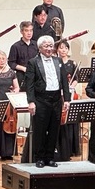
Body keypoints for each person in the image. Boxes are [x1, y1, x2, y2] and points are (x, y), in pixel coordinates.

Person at [24, 35, 70, 168]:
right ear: (40, 48)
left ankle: (50, 157)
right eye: (46, 46)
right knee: (40, 130)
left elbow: (64, 82)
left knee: (54, 130)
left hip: (56, 100)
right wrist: (31, 101)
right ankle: (39, 158)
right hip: (41, 100)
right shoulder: (33, 62)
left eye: (51, 46)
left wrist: (67, 99)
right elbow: (29, 84)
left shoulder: (58, 60)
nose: (49, 48)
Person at [0, 51, 19, 161]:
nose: (2, 61)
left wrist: (15, 92)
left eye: (3, 58)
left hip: (9, 102)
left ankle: (8, 152)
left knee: (9, 125)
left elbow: (17, 87)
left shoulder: (11, 72)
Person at [55, 40, 80, 162]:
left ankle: (71, 148)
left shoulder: (72, 63)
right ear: (57, 50)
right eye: (61, 47)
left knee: (70, 120)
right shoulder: (55, 62)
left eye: (65, 48)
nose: (63, 50)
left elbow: (76, 78)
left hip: (70, 92)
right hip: (57, 93)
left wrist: (70, 87)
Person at [8, 21, 37, 90]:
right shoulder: (15, 46)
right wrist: (23, 68)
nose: (29, 33)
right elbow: (11, 63)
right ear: (21, 32)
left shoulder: (36, 45)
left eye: (31, 30)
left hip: (35, 76)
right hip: (22, 76)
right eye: (26, 30)